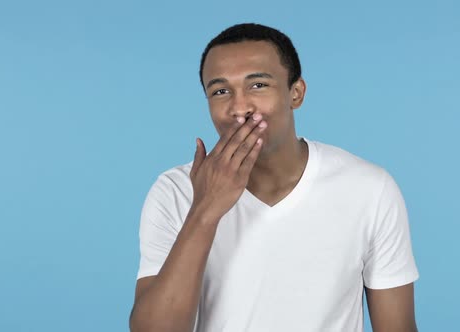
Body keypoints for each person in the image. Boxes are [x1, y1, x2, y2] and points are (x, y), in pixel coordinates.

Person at [129, 23, 419, 332]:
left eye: (258, 85)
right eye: (220, 91)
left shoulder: (369, 189)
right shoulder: (174, 192)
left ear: (296, 93)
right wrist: (205, 209)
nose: (240, 108)